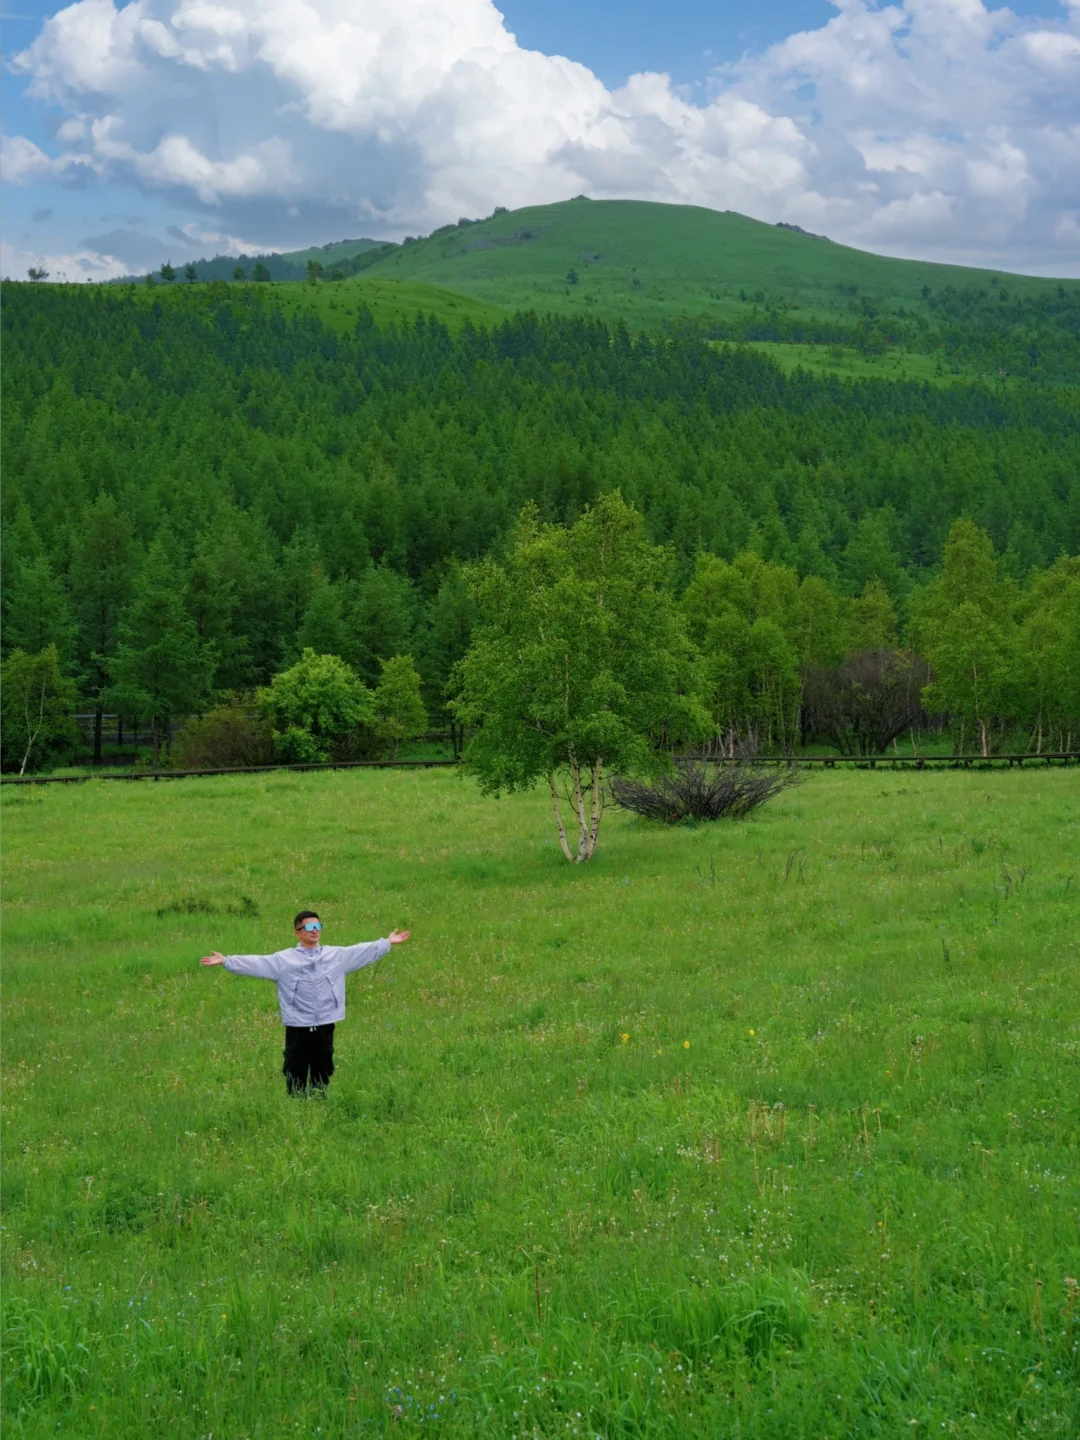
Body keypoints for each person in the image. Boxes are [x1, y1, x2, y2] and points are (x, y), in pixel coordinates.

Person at [200, 911, 410, 1095]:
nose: (314, 930)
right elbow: (257, 962)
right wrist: (227, 961)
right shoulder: (283, 960)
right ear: (298, 932)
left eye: (317, 926)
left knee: (323, 1065)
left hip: (326, 1022)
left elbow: (361, 951)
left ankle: (319, 1100)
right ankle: (297, 1105)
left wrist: (386, 942)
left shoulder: (335, 956)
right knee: (295, 1068)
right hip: (298, 1025)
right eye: (308, 927)